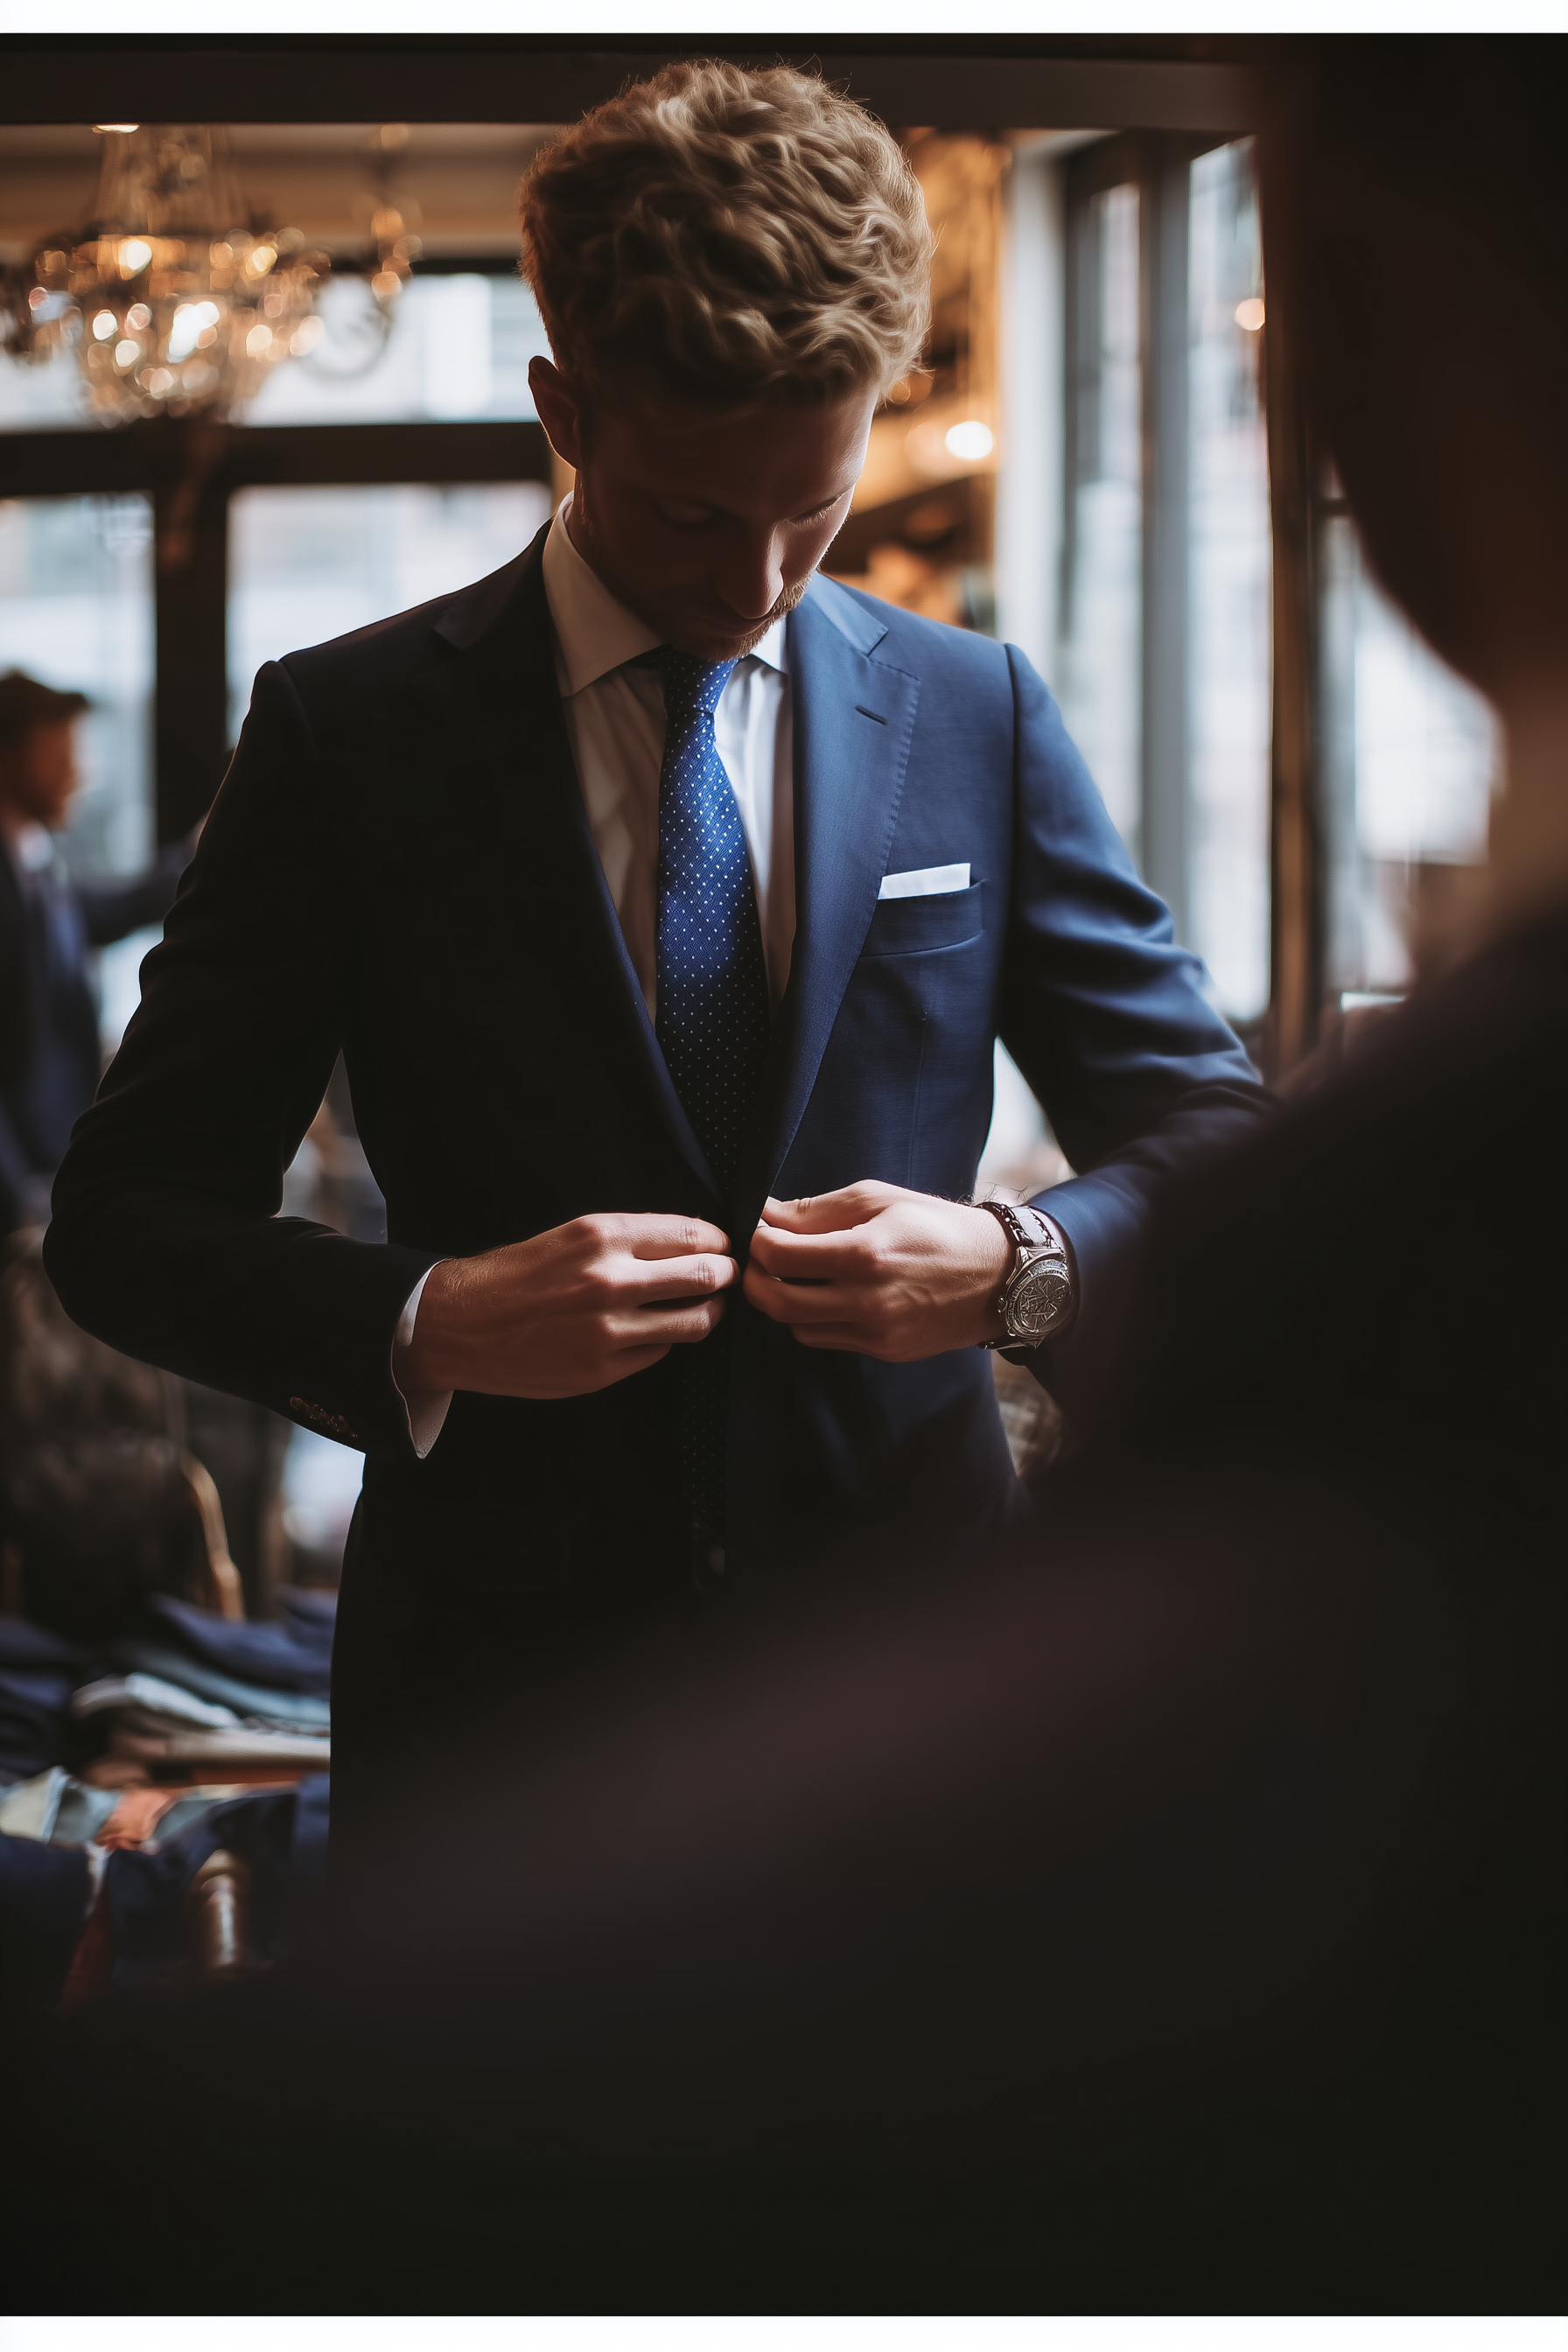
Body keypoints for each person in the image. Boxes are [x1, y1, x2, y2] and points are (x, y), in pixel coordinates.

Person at [43, 63, 1268, 1833]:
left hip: (924, 1699)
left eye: (814, 504)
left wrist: (1016, 1264)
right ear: (562, 404)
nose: (759, 575)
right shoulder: (346, 734)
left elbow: (1210, 1140)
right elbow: (124, 1219)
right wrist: (429, 1314)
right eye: (697, 512)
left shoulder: (973, 712)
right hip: (499, 1712)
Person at [0, 671, 187, 1234]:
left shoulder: (33, 853)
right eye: (55, 754)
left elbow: (106, 910)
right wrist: (17, 1201)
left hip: (53, 1152)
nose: (74, 773)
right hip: (21, 1176)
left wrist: (205, 853)